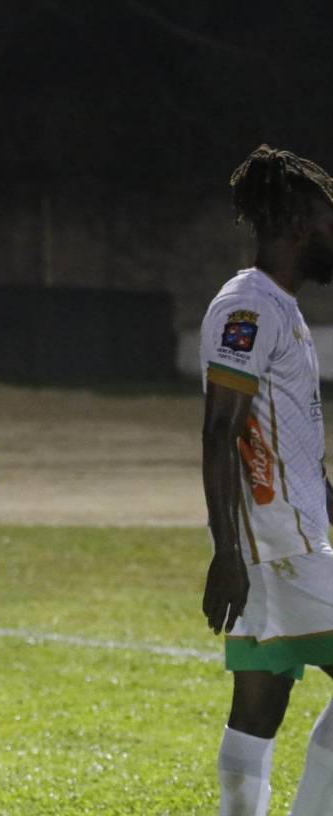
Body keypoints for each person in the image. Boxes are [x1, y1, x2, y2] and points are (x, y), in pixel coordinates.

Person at [201, 144, 333, 816]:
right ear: (302, 223)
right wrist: (227, 552)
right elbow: (220, 431)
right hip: (278, 547)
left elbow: (289, 442)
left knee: (258, 705)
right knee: (258, 704)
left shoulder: (279, 308)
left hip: (281, 542)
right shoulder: (248, 306)